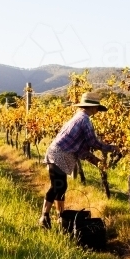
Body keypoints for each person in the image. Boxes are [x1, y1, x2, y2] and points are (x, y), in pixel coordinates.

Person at [40, 92, 118, 229]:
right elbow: (93, 142)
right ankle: (44, 217)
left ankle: (61, 217)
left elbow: (81, 150)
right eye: (97, 108)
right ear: (92, 107)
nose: (97, 112)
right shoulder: (84, 120)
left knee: (61, 186)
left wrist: (97, 162)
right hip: (59, 154)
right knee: (58, 186)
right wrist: (112, 148)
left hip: (57, 153)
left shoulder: (78, 117)